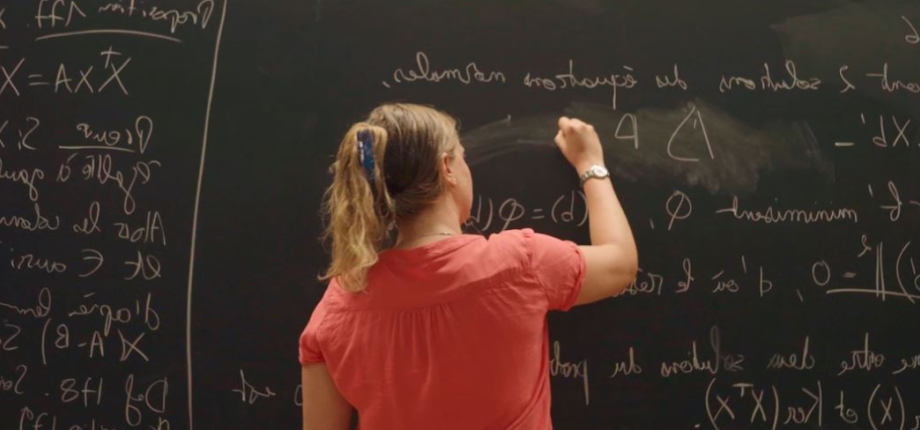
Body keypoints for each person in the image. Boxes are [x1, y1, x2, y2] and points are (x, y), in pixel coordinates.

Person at [300, 103, 638, 430]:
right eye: (462, 156)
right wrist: (590, 164)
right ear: (447, 167)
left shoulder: (340, 304)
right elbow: (620, 264)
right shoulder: (520, 263)